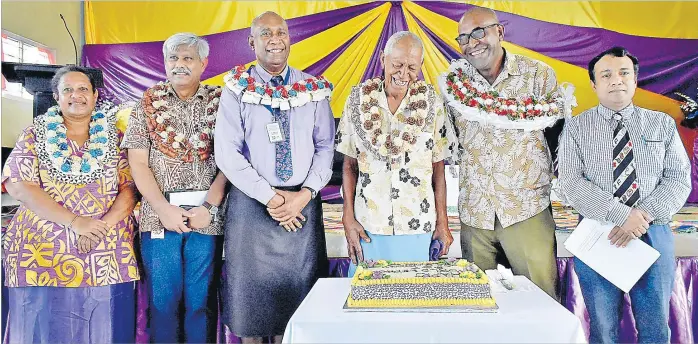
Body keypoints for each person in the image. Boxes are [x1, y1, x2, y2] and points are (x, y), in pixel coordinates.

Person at [215, 11, 335, 343]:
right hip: (252, 206)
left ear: (289, 39)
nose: (274, 39)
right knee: (251, 311)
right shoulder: (236, 89)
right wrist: (270, 197)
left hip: (303, 205)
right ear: (252, 42)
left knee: (299, 311)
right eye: (265, 33)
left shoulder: (312, 89)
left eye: (280, 32)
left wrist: (304, 194)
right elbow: (227, 152)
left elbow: (326, 147)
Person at [558, 46, 691, 343]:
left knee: (656, 329)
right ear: (594, 84)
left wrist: (640, 217)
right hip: (599, 235)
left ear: (634, 80)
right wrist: (622, 215)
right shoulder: (577, 128)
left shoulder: (662, 124)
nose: (615, 80)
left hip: (653, 234)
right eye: (606, 75)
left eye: (623, 73)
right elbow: (570, 182)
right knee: (604, 329)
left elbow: (679, 179)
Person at [2, 65, 139, 343]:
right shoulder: (33, 134)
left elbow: (132, 188)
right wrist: (76, 223)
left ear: (95, 95)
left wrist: (98, 228)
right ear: (56, 96)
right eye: (67, 90)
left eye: (82, 89)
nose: (76, 96)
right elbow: (17, 184)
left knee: (105, 324)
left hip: (105, 241)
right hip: (41, 244)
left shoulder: (119, 137)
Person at [441, 7, 560, 298]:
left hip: (525, 209)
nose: (473, 42)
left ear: (500, 32)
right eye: (464, 38)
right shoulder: (454, 85)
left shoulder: (537, 76)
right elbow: (447, 144)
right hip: (475, 214)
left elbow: (559, 141)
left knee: (540, 301)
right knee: (481, 305)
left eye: (479, 32)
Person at [122, 33, 227, 343]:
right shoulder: (147, 102)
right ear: (165, 63)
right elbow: (138, 163)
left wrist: (208, 208)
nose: (180, 64)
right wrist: (163, 209)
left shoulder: (223, 102)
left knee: (200, 303)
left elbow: (233, 162)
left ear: (203, 63)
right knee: (163, 302)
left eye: (188, 58)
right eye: (173, 58)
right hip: (159, 217)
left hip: (207, 218)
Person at [336, 31, 454, 276]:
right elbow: (349, 166)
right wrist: (348, 217)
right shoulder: (357, 100)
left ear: (421, 65)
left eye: (412, 67)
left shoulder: (433, 102)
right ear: (382, 59)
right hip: (369, 224)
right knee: (367, 303)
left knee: (415, 302)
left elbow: (438, 169)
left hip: (418, 225)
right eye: (397, 65)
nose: (403, 74)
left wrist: (442, 221)